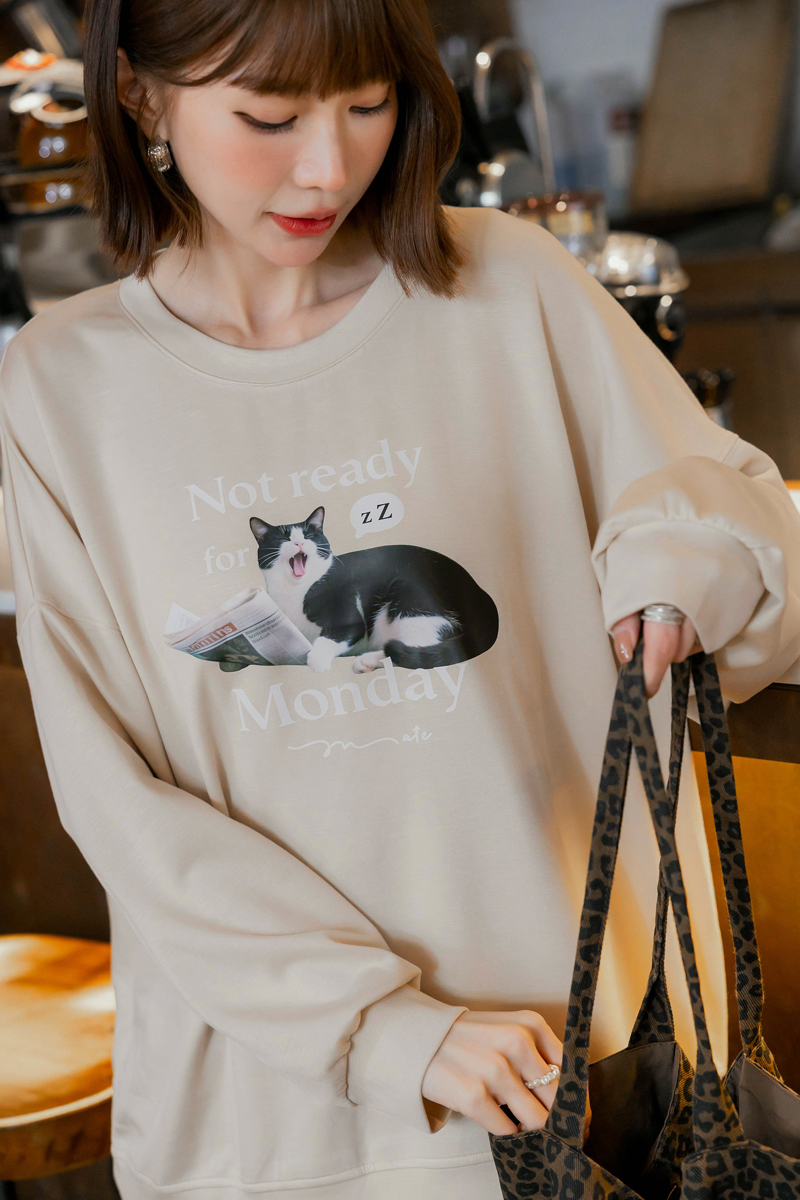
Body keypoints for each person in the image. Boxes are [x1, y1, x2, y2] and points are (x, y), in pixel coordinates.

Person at [2, 0, 800, 1196]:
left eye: (366, 104)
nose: (328, 167)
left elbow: (735, 518)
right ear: (139, 93)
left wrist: (686, 559)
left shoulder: (511, 289)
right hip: (275, 1124)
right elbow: (118, 801)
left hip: (587, 1091)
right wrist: (381, 1027)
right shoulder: (63, 385)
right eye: (268, 117)